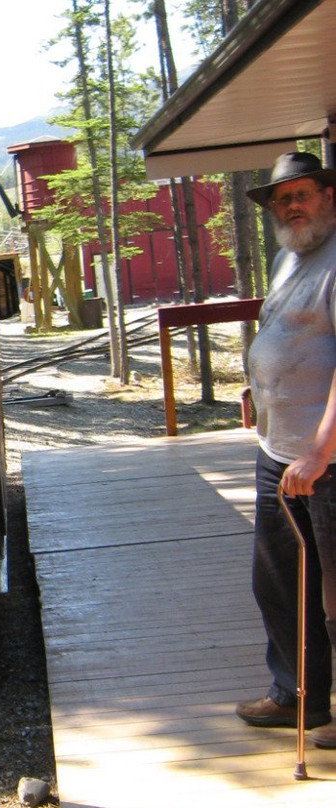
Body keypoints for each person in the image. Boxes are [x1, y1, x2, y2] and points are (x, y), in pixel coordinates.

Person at [236, 151, 336, 750]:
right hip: (280, 452)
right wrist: (259, 390)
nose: (292, 205)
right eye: (282, 198)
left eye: (302, 194)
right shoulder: (288, 258)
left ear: (328, 196)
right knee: (277, 581)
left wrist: (322, 451)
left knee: (335, 593)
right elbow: (287, 333)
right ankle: (299, 693)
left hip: (324, 463)